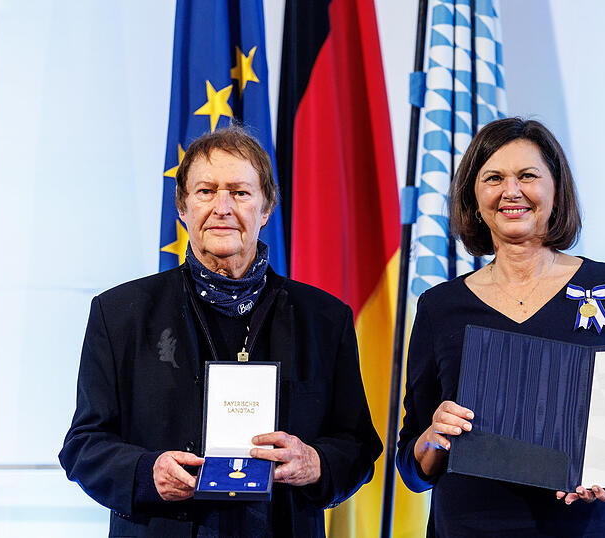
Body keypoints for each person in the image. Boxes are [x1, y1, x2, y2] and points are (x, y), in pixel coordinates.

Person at [59, 125, 382, 537]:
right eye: (206, 191)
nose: (222, 207)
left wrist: (315, 462)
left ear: (266, 209)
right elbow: (83, 446)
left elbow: (358, 444)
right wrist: (145, 472)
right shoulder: (119, 314)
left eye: (240, 192)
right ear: (182, 206)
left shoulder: (324, 318)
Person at [396, 117, 605, 537]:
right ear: (474, 197)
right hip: (471, 526)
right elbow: (413, 469)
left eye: (527, 176)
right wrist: (434, 435)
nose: (511, 191)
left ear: (555, 190)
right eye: (494, 178)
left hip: (588, 525)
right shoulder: (439, 307)